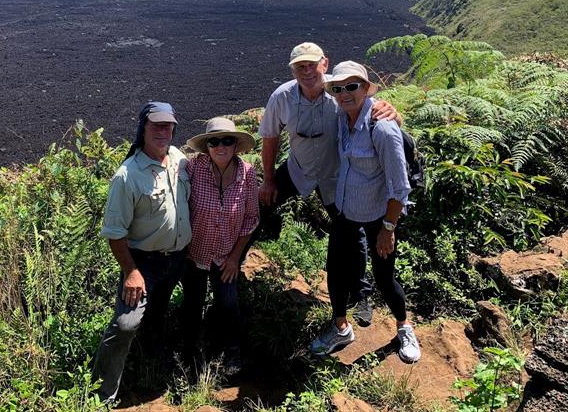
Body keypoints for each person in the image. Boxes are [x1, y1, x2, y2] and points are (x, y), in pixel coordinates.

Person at [256, 42, 399, 326]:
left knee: (351, 232)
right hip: (299, 169)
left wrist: (391, 110)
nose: (307, 71)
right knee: (259, 205)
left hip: (336, 177)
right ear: (293, 70)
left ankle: (361, 294)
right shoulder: (282, 97)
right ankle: (234, 266)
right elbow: (270, 137)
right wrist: (269, 179)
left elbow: (371, 109)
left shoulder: (340, 92)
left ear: (325, 64)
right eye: (300, 67)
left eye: (312, 65)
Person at [311, 61, 420, 363]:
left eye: (352, 86)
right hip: (346, 213)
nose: (345, 93)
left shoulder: (382, 128)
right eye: (338, 88)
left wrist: (388, 228)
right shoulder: (342, 118)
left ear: (365, 88)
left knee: (385, 278)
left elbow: (400, 188)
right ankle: (341, 327)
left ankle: (404, 327)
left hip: (376, 217)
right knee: (336, 272)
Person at [92, 101, 191, 402]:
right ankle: (100, 392)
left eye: (168, 125)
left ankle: (151, 368)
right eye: (156, 125)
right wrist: (131, 272)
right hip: (142, 264)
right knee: (126, 323)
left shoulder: (178, 159)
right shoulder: (127, 176)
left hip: (176, 259)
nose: (163, 131)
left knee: (158, 315)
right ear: (143, 129)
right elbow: (114, 233)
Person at [180, 117, 259, 375]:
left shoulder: (247, 173)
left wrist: (236, 257)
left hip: (226, 254)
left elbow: (251, 219)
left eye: (227, 140)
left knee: (228, 303)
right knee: (192, 303)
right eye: (214, 141)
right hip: (195, 253)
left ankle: (232, 351)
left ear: (235, 145)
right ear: (207, 147)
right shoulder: (193, 169)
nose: (220, 146)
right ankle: (190, 352)